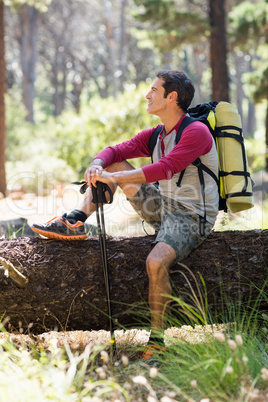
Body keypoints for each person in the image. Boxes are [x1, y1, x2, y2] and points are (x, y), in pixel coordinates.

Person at [31, 70, 219, 365]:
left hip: (192, 216)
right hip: (164, 205)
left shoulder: (196, 132)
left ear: (172, 97)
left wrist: (112, 176)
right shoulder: (158, 134)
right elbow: (116, 150)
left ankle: (158, 342)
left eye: (154, 90)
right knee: (116, 162)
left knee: (155, 262)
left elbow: (165, 168)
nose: (148, 95)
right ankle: (76, 219)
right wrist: (98, 165)